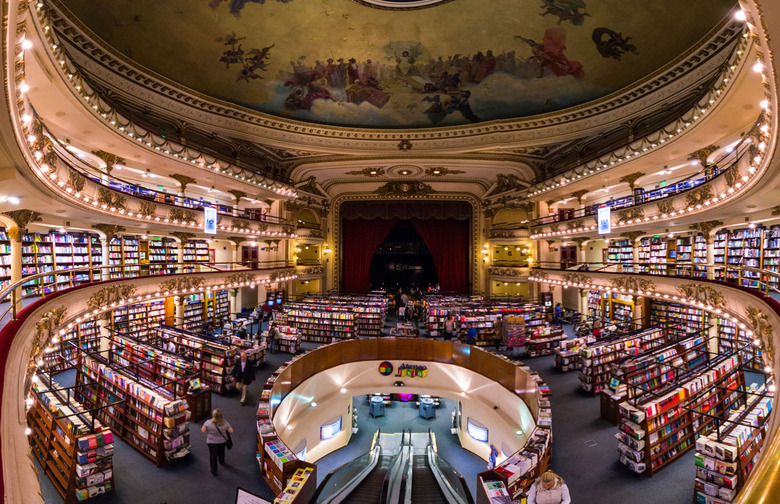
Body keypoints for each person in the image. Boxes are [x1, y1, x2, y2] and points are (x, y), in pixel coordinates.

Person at [201, 408, 234, 476]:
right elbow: (231, 431)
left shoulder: (208, 422)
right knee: (221, 451)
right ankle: (221, 461)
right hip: (222, 441)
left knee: (213, 456)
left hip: (211, 442)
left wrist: (208, 429)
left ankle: (214, 471)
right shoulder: (225, 423)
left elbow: (203, 430)